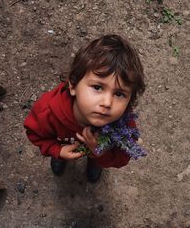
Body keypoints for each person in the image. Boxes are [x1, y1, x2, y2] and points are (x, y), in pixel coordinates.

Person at [24, 34, 145, 183]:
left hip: (98, 154)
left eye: (119, 94)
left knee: (94, 156)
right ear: (73, 84)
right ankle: (61, 159)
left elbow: (123, 157)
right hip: (63, 145)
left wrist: (99, 152)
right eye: (97, 87)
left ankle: (93, 161)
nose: (107, 103)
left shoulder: (124, 125)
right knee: (62, 153)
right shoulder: (48, 111)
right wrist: (57, 150)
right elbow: (35, 133)